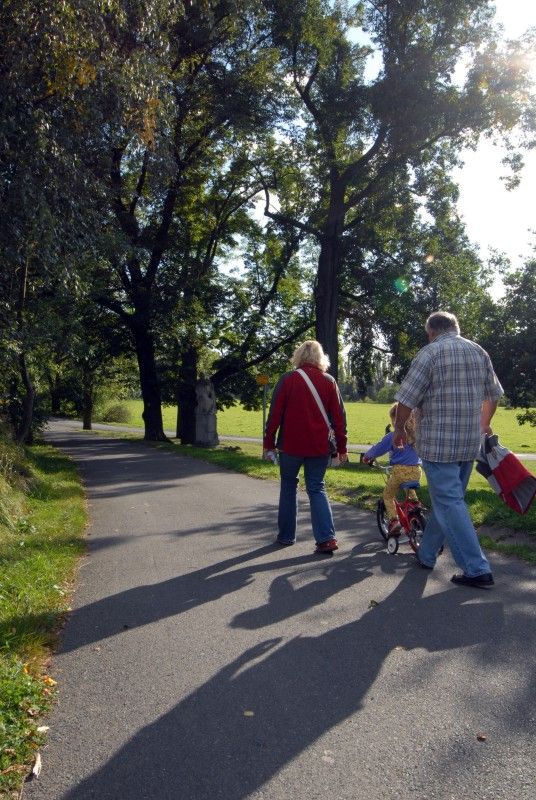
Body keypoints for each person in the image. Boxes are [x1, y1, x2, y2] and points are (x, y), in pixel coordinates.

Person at [393, 311, 504, 588]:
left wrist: (398, 430)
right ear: (456, 327)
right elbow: (494, 395)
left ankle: (477, 568)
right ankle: (427, 554)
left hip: (438, 445)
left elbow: (406, 398)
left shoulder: (429, 354)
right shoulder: (479, 352)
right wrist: (484, 424)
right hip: (469, 443)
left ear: (432, 332)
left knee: (450, 503)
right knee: (448, 503)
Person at [263, 340, 348, 553]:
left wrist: (269, 444)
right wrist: (342, 448)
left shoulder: (287, 380)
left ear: (298, 357)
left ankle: (285, 536)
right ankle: (326, 538)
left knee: (288, 487)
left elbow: (274, 416)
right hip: (318, 446)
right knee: (317, 488)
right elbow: (339, 419)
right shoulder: (329, 381)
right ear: (321, 358)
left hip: (290, 445)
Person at [362, 403, 422, 536]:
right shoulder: (416, 434)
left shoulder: (393, 435)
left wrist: (367, 457)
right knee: (409, 487)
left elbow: (379, 448)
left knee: (388, 496)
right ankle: (416, 504)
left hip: (399, 471)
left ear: (396, 419)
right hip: (417, 470)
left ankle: (394, 521)